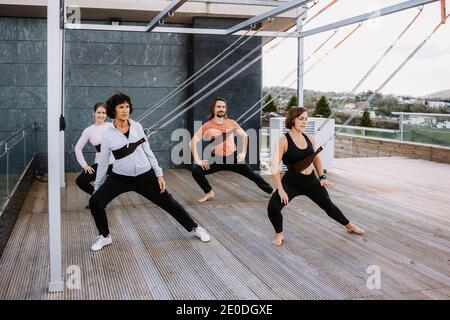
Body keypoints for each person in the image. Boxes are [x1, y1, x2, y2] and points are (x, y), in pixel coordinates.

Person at [89, 92, 210, 251]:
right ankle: (104, 237)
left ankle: (194, 228)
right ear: (113, 110)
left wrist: (159, 174)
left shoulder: (137, 126)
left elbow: (148, 151)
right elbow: (103, 162)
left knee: (169, 203)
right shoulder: (107, 134)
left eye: (127, 106)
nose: (125, 110)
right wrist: (97, 187)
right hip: (120, 177)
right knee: (95, 202)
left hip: (145, 175)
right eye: (121, 107)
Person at [267, 107, 365, 246]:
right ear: (292, 120)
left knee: (329, 206)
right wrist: (280, 189)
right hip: (292, 182)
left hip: (311, 181)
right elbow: (274, 167)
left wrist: (322, 177)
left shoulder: (309, 138)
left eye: (306, 119)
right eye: (301, 118)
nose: (304, 121)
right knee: (273, 208)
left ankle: (349, 225)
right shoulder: (283, 141)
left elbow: (316, 159)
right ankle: (279, 234)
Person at [190, 97, 273, 202]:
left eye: (223, 107)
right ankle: (209, 192)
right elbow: (192, 142)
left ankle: (271, 191)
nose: (221, 109)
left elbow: (244, 135)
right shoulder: (207, 126)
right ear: (213, 109)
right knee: (196, 171)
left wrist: (243, 153)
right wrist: (198, 160)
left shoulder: (231, 123)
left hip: (233, 158)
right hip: (216, 159)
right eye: (219, 106)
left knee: (252, 175)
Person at [74, 102, 113, 208]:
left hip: (115, 164)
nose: (101, 115)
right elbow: (78, 148)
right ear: (94, 113)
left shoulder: (112, 126)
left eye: (104, 113)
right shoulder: (88, 130)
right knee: (81, 180)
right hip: (100, 164)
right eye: (99, 112)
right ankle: (98, 197)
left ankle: (101, 198)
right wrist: (84, 165)